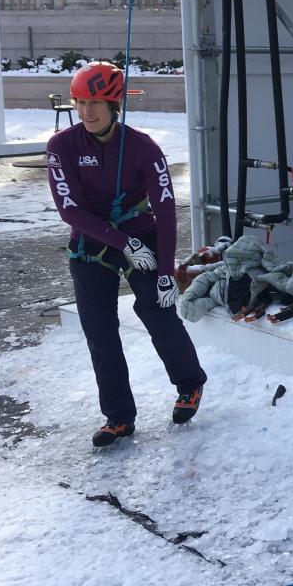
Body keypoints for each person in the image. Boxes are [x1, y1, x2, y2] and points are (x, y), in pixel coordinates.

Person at [47, 61, 207, 447]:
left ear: (115, 105)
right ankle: (118, 417)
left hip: (141, 230)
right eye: (81, 102)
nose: (87, 111)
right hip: (91, 241)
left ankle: (190, 383)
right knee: (100, 330)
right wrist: (121, 244)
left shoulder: (143, 148)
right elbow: (69, 209)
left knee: (156, 307)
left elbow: (166, 209)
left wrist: (166, 269)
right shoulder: (61, 146)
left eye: (97, 102)